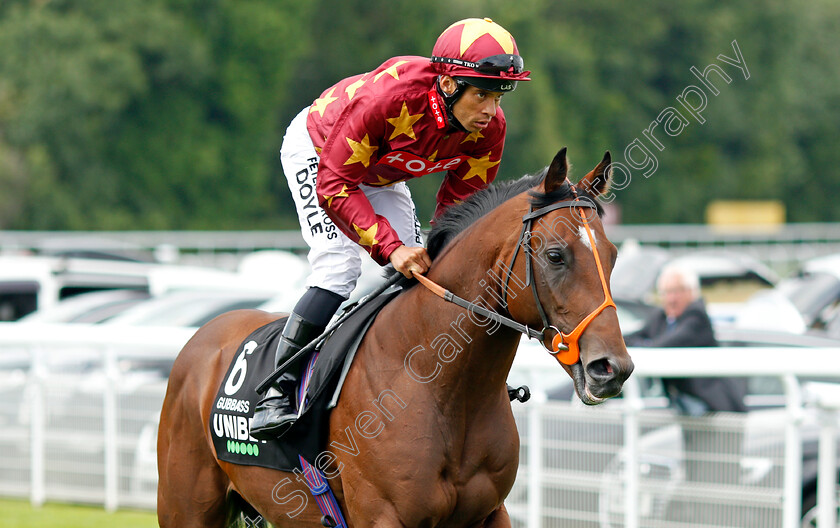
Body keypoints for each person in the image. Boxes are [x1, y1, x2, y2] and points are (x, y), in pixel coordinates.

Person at [250, 18, 531, 440]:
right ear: (450, 83)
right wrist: (389, 246)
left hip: (379, 173)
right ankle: (276, 389)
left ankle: (450, 371)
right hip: (321, 153)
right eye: (482, 95)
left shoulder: (488, 129)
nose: (491, 110)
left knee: (423, 268)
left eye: (498, 96)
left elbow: (459, 214)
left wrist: (423, 252)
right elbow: (334, 184)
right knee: (338, 269)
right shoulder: (389, 96)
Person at [625, 264, 747, 489]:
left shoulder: (696, 316)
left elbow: (662, 347)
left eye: (677, 291)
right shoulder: (662, 317)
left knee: (720, 482)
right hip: (693, 415)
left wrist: (645, 345)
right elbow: (629, 340)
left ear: (692, 292)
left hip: (718, 415)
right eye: (666, 293)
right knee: (696, 479)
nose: (671, 299)